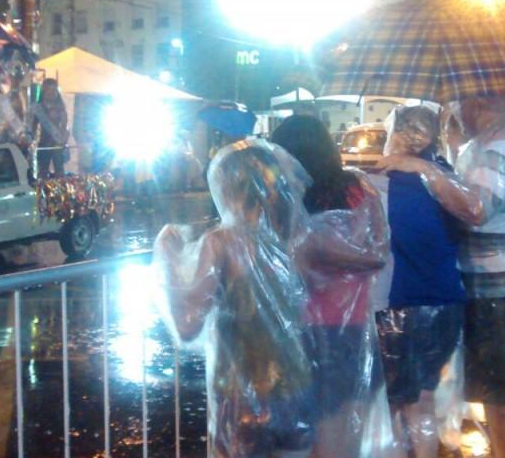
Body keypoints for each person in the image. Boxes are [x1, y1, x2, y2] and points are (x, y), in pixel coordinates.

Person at [378, 96, 505, 458]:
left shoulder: (499, 144)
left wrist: (420, 167)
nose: (457, 114)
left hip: (503, 287)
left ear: (478, 103)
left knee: (501, 396)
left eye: (460, 104)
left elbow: (476, 208)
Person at [154, 140, 318, 457]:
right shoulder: (292, 237)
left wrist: (167, 257)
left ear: (227, 188)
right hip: (296, 389)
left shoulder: (222, 242)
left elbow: (187, 325)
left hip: (243, 395)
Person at [270, 115, 395, 457]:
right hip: (350, 329)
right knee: (342, 435)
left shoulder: (279, 197)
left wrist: (316, 248)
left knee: (295, 438)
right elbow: (378, 251)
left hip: (293, 332)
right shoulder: (356, 189)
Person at [374, 106, 465, 458]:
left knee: (398, 405)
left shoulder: (382, 184)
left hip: (401, 306)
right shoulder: (448, 179)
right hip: (447, 301)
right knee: (424, 400)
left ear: (397, 135)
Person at [28, 79, 69, 178]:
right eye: (49, 90)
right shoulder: (38, 108)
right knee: (42, 170)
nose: (51, 93)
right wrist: (30, 139)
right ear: (44, 91)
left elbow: (64, 125)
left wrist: (63, 139)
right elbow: (33, 126)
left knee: (59, 170)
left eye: (54, 90)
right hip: (44, 142)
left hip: (57, 143)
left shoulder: (60, 107)